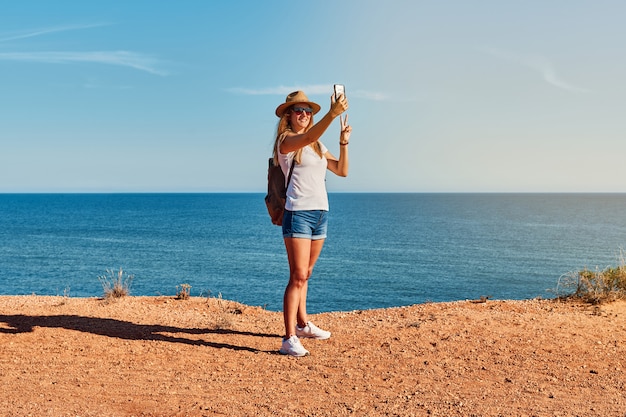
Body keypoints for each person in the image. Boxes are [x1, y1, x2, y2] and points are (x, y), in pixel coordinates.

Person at [272, 90, 351, 356]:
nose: (304, 114)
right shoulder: (286, 141)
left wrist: (343, 143)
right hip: (298, 214)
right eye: (298, 110)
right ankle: (288, 338)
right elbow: (308, 136)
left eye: (308, 111)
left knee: (306, 274)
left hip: (320, 213)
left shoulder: (317, 145)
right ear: (288, 116)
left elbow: (341, 170)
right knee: (297, 276)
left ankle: (303, 324)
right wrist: (332, 113)